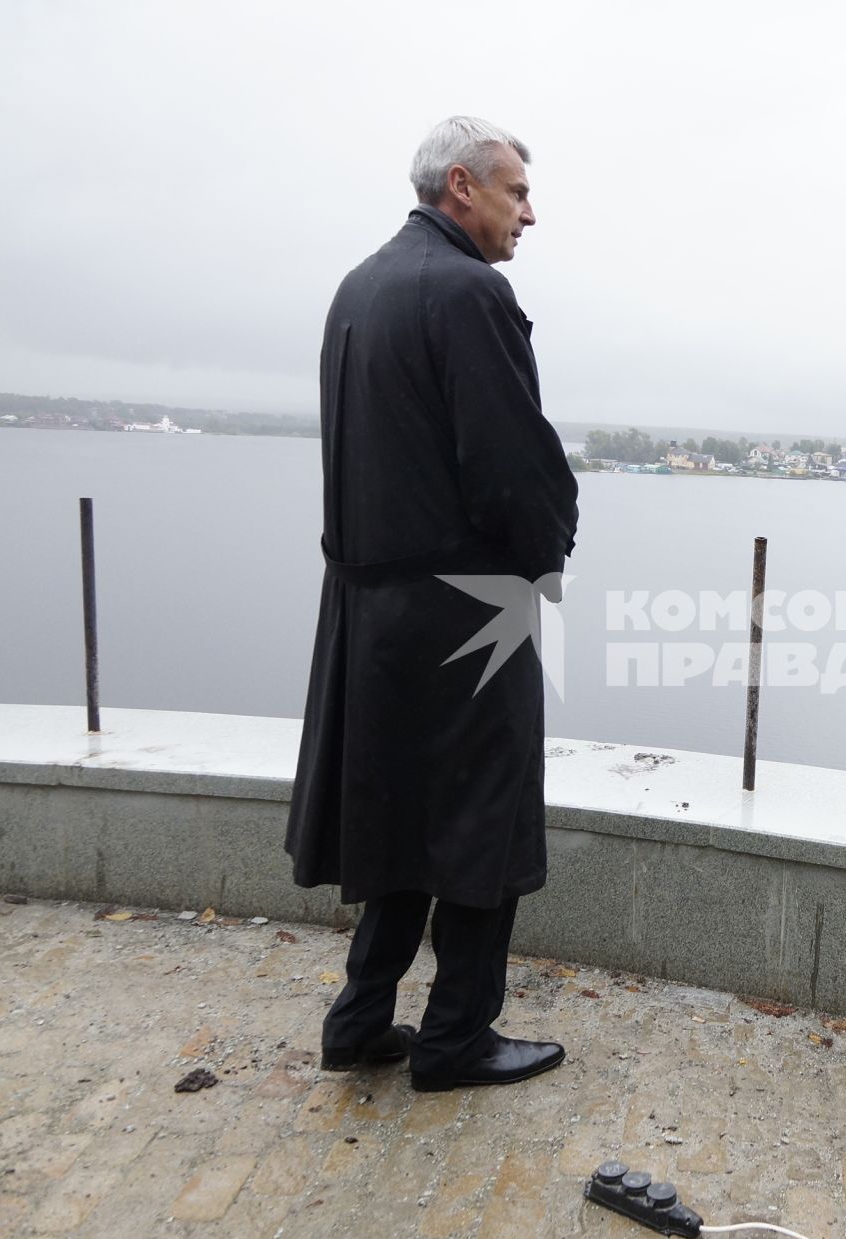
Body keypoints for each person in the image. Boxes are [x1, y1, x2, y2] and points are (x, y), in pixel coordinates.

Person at [285, 116, 579, 1092]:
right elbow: (511, 466)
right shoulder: (468, 290)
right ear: (462, 186)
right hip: (465, 610)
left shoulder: (359, 285)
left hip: (369, 612)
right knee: (480, 828)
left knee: (401, 819)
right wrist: (543, 560)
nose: (528, 214)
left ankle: (360, 1018)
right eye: (515, 192)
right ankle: (456, 1038)